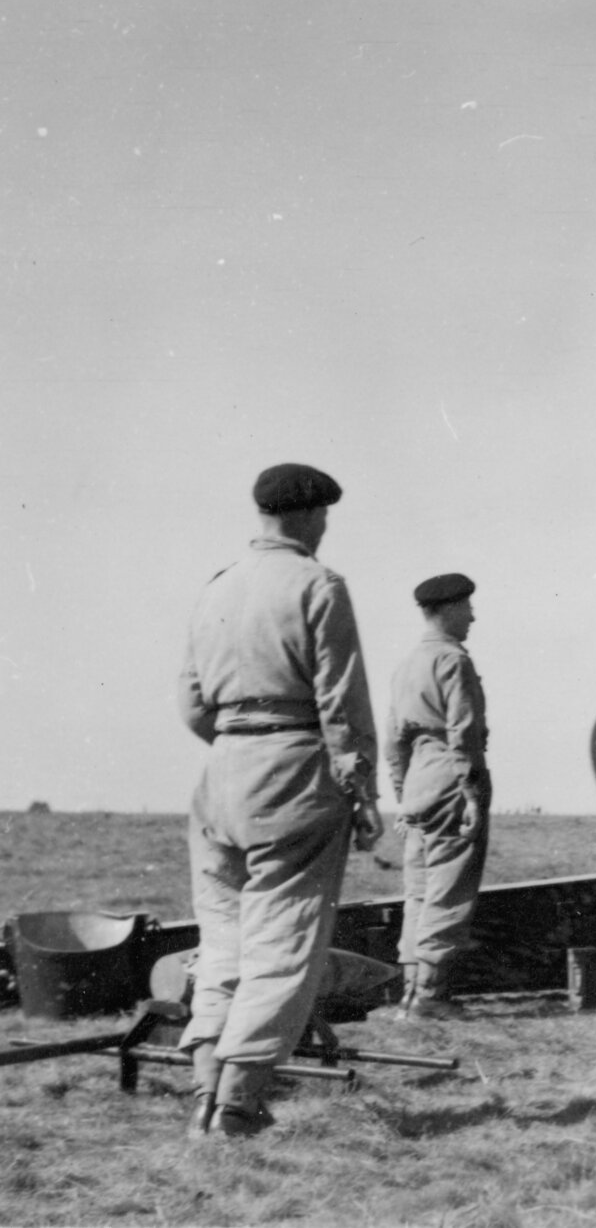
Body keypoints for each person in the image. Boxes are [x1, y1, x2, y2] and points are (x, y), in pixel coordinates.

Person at [175, 463, 383, 1139]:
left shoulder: (217, 586)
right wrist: (360, 790)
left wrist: (238, 742)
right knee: (283, 944)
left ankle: (205, 1093)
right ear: (310, 515)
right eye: (325, 516)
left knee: (222, 944)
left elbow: (192, 704)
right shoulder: (319, 584)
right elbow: (341, 703)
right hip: (293, 771)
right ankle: (237, 1105)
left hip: (220, 775)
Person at [385, 572, 491, 1021]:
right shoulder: (453, 661)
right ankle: (430, 996)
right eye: (467, 608)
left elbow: (394, 741)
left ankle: (411, 992)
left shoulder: (407, 664)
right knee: (448, 890)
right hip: (450, 777)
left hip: (418, 782)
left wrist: (402, 797)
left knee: (418, 892)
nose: (472, 617)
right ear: (448, 609)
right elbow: (464, 733)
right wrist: (471, 794)